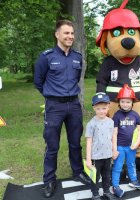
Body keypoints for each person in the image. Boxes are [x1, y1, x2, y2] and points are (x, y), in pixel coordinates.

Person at [34, 19, 90, 198]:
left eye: (72, 33)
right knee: (52, 145)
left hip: (74, 105)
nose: (70, 36)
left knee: (75, 142)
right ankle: (49, 180)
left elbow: (77, 78)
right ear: (57, 34)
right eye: (66, 33)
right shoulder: (47, 57)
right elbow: (38, 81)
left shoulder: (77, 57)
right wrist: (52, 95)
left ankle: (78, 172)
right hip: (54, 106)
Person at [111, 84, 140, 198]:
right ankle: (115, 185)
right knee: (118, 166)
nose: (125, 104)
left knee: (131, 164)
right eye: (123, 101)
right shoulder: (117, 115)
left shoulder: (135, 115)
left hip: (131, 146)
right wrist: (114, 149)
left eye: (128, 102)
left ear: (132, 102)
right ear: (119, 102)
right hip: (119, 146)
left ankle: (134, 180)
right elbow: (114, 133)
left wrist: (137, 143)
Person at [85, 93, 116, 200]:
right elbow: (89, 142)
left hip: (107, 155)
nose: (101, 111)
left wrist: (114, 151)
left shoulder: (111, 122)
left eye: (104, 108)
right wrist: (89, 160)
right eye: (98, 108)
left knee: (107, 175)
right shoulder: (91, 124)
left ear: (108, 107)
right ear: (94, 108)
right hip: (96, 156)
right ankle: (95, 194)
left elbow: (113, 137)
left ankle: (106, 191)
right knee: (95, 177)